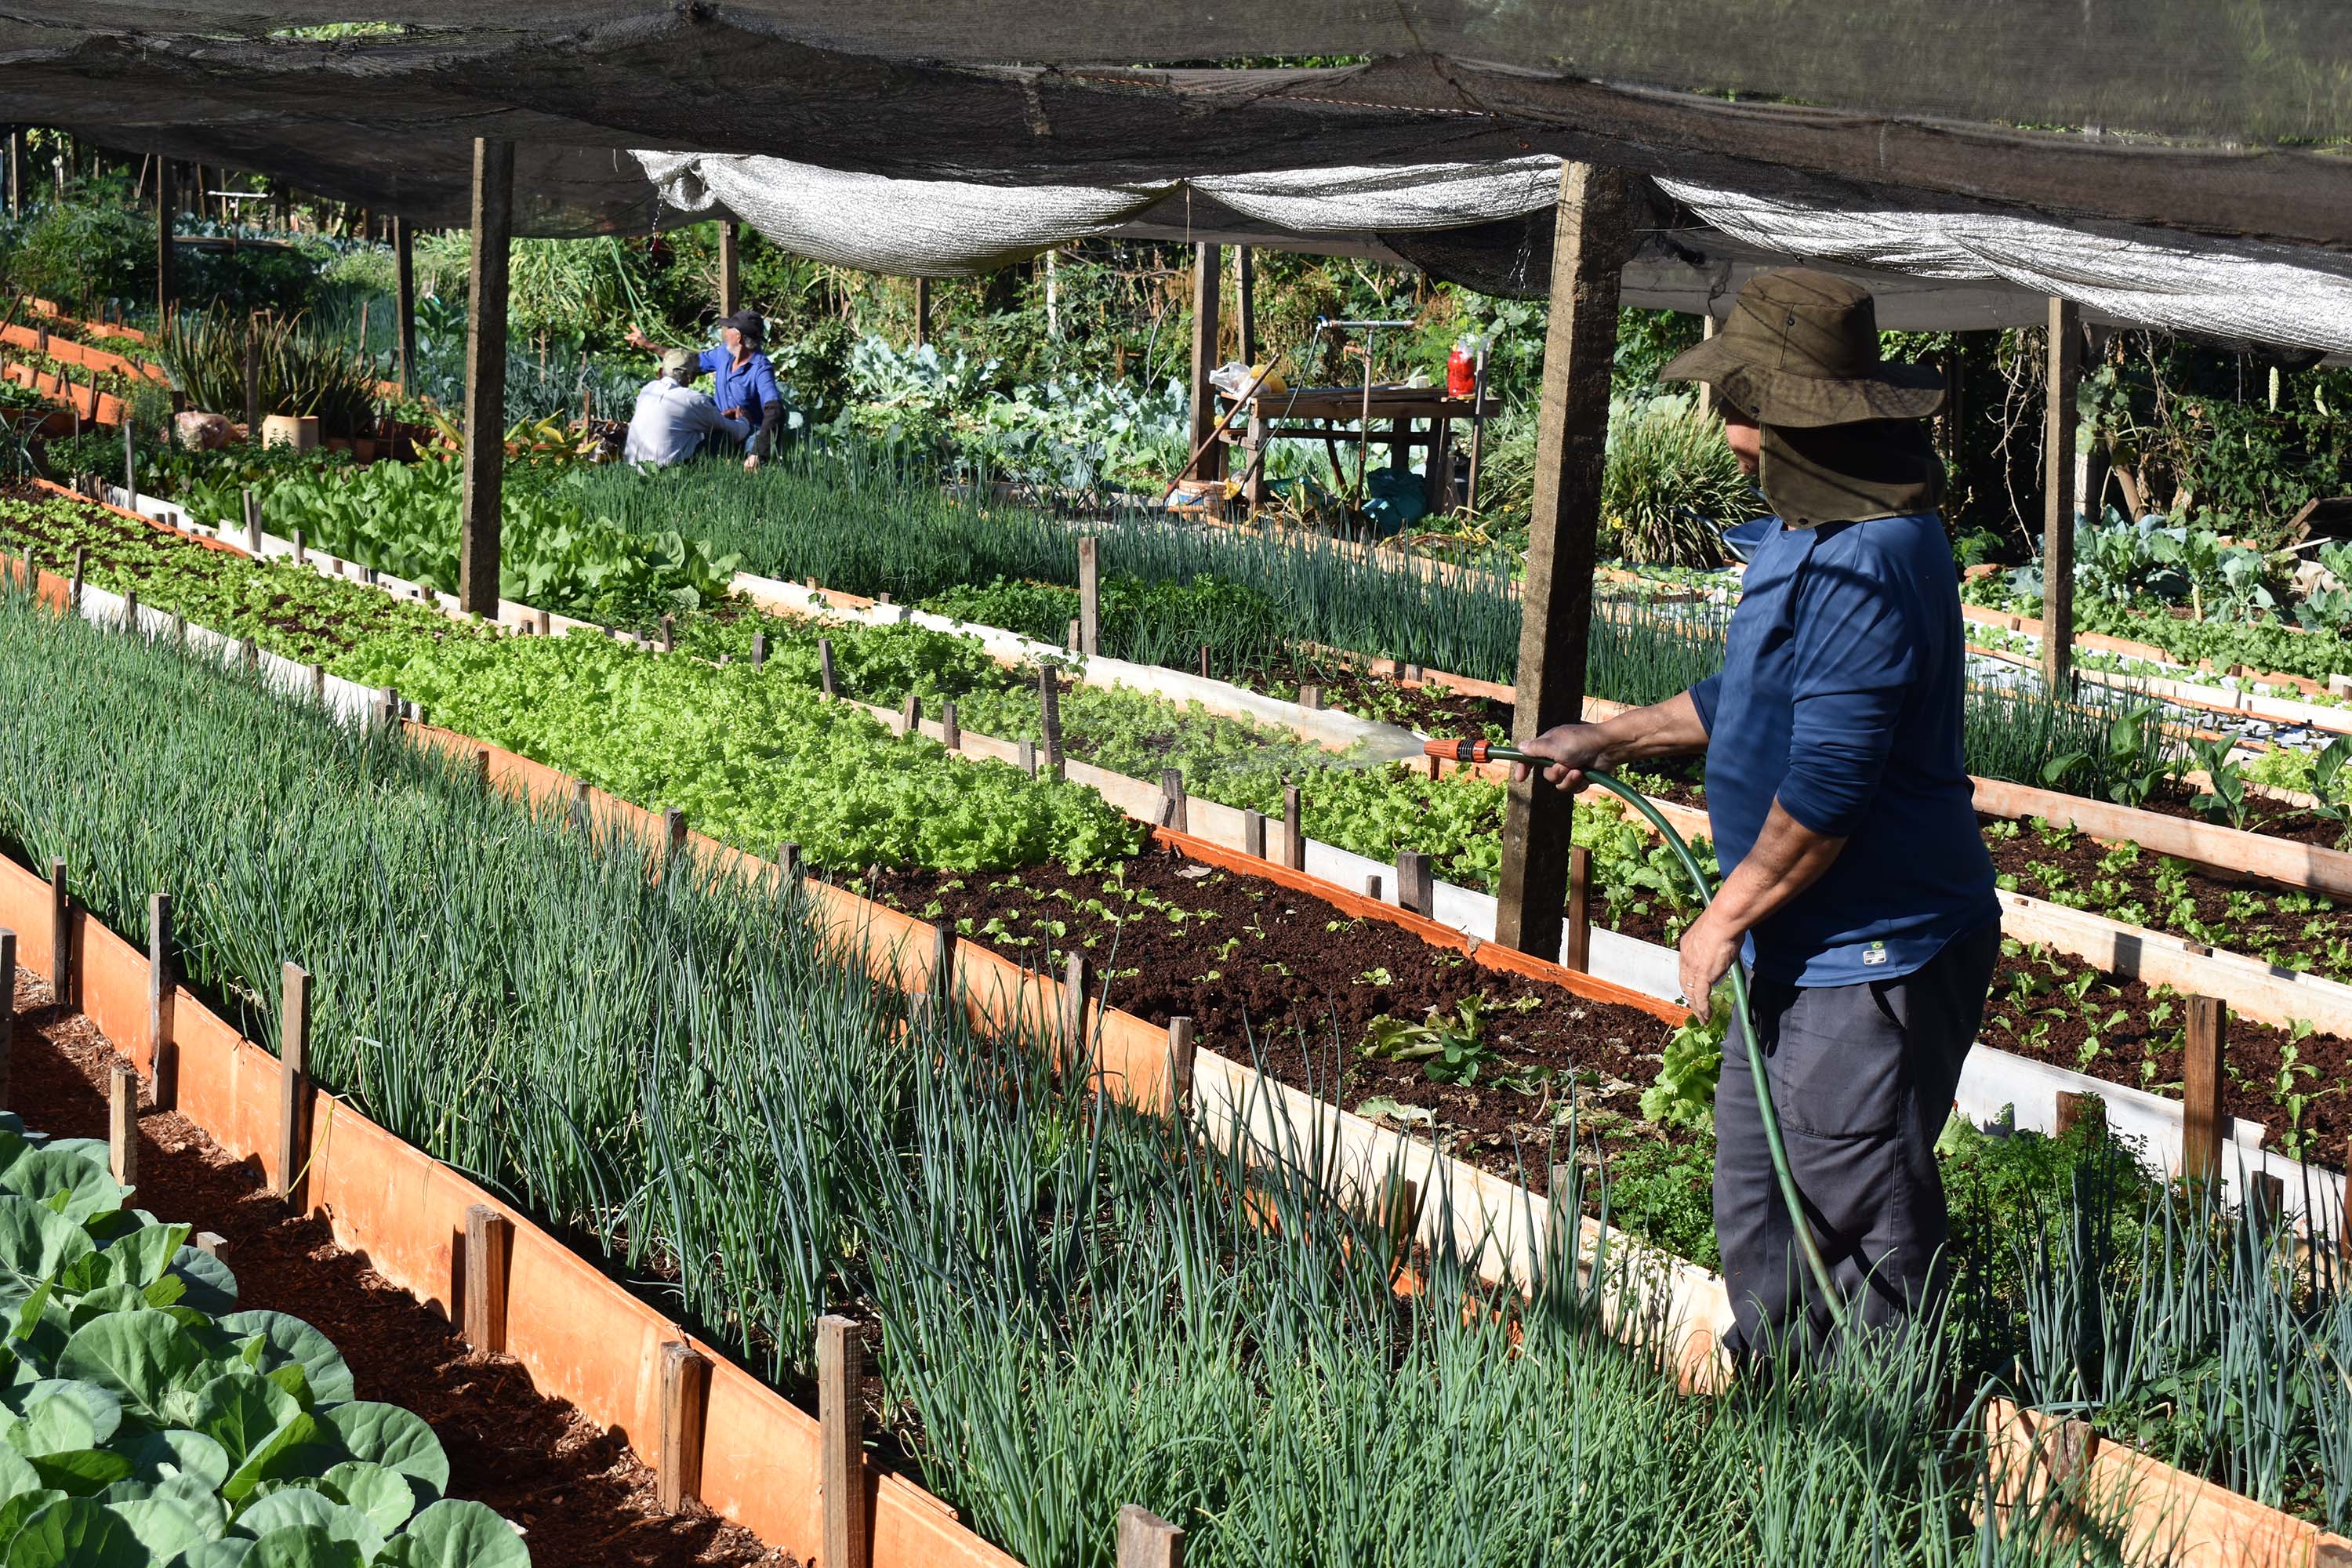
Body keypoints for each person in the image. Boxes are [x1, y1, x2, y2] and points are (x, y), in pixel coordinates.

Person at [1516, 270, 2000, 1362]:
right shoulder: (1800, 528)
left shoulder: (1875, 557)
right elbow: (1753, 696)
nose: (1731, 433)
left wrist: (1719, 918)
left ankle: (1874, 1439)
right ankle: (1780, 1412)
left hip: (1870, 954)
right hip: (1804, 944)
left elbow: (1829, 792)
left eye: (1748, 410)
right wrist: (1606, 737)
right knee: (1759, 1191)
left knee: (1850, 1215)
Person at [627, 312, 783, 470]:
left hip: (750, 428)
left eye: (729, 328)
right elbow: (686, 363)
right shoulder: (723, 354)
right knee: (702, 408)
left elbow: (774, 409)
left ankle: (753, 466)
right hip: (722, 425)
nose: (725, 332)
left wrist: (759, 451)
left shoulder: (761, 368)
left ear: (739, 337)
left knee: (756, 452)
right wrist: (648, 345)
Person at [622, 348, 748, 468]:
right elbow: (736, 432)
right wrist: (744, 420)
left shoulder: (648, 390)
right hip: (668, 473)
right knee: (723, 436)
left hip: (634, 468)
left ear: (660, 372)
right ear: (691, 377)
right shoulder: (692, 400)